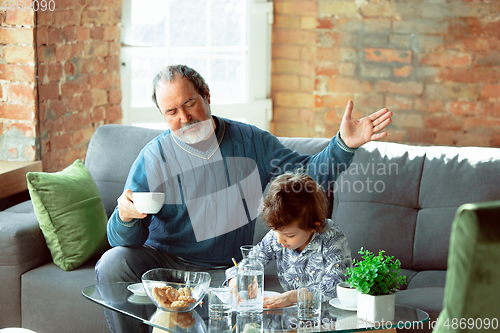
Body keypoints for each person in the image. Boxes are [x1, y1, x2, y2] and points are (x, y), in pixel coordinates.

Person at [94, 64, 391, 331]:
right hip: (164, 264)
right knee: (112, 263)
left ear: (206, 95)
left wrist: (343, 145)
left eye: (190, 103)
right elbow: (122, 240)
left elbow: (305, 178)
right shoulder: (153, 158)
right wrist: (124, 217)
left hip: (223, 271)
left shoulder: (251, 141)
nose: (184, 118)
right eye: (171, 112)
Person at [226, 170, 352, 308]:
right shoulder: (277, 237)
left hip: (328, 314)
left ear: (313, 227)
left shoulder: (331, 238)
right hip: (291, 315)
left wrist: (294, 296)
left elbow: (336, 286)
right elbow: (249, 262)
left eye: (290, 235)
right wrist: (235, 280)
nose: (280, 240)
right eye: (275, 231)